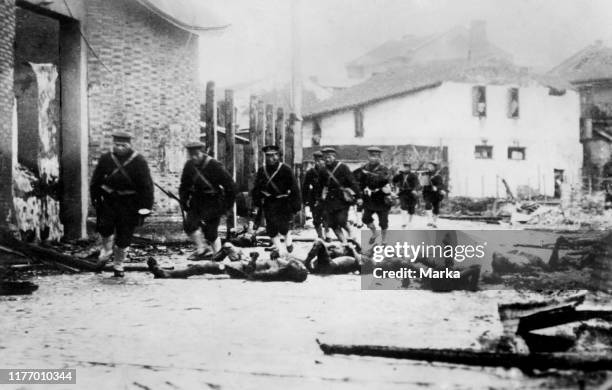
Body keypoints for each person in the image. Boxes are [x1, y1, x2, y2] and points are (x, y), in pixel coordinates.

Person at [90, 131, 154, 277]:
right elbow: (96, 180)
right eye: (117, 145)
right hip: (109, 201)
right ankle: (106, 250)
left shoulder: (139, 161)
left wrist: (145, 207)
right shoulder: (106, 159)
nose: (119, 148)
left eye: (123, 145)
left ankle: (118, 265)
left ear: (130, 145)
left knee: (125, 235)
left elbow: (147, 187)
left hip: (129, 203)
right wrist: (95, 198)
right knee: (105, 228)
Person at [179, 141, 237, 260]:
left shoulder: (214, 165)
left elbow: (230, 186)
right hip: (197, 200)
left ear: (202, 152)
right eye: (191, 155)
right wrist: (184, 201)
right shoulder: (189, 166)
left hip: (213, 202)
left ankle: (218, 257)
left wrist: (227, 206)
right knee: (189, 225)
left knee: (211, 233)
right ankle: (202, 249)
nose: (194, 157)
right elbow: (184, 185)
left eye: (196, 154)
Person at [147, 243, 307, 282]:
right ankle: (212, 261)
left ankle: (168, 274)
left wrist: (252, 260)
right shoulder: (283, 264)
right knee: (228, 246)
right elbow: (280, 255)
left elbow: (251, 276)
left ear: (289, 270)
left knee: (200, 267)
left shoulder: (275, 272)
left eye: (293, 264)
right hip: (244, 260)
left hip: (239, 269)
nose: (291, 262)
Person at [251, 145, 301, 255]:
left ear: (278, 156)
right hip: (269, 203)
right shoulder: (262, 170)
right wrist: (256, 201)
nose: (271, 158)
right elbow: (257, 188)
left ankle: (288, 241)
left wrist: (296, 205)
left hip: (283, 202)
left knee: (284, 227)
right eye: (268, 155)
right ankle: (279, 250)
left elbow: (294, 188)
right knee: (271, 229)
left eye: (274, 155)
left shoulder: (285, 169)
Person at [320, 147, 361, 244]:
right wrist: (319, 199)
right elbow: (320, 186)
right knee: (332, 224)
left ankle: (352, 234)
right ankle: (344, 243)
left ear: (334, 157)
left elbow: (352, 182)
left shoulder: (342, 167)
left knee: (341, 220)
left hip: (342, 198)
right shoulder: (323, 170)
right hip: (329, 199)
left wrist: (359, 196)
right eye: (325, 157)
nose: (327, 159)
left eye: (329, 157)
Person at [358, 146, 392, 244]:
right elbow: (360, 181)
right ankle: (374, 233)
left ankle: (384, 240)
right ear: (368, 157)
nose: (374, 158)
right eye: (372, 156)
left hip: (382, 198)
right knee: (365, 219)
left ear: (379, 158)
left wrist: (368, 174)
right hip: (369, 198)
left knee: (383, 222)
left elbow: (383, 179)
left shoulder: (383, 168)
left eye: (376, 156)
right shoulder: (363, 168)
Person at [302, 151, 331, 240]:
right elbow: (305, 186)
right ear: (314, 161)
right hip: (314, 198)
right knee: (316, 219)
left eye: (321, 160)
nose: (319, 162)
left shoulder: (328, 171)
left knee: (326, 217)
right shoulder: (310, 172)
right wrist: (304, 199)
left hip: (326, 198)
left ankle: (328, 234)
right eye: (316, 160)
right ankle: (320, 236)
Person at [393, 162, 420, 228]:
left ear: (410, 168)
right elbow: (394, 180)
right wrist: (397, 173)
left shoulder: (413, 175)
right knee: (403, 206)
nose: (405, 168)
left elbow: (417, 184)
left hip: (411, 193)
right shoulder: (400, 175)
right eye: (404, 167)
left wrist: (414, 190)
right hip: (403, 192)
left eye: (407, 167)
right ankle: (404, 222)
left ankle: (410, 222)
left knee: (411, 208)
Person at [422, 162, 446, 228]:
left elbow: (441, 185)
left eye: (431, 166)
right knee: (428, 204)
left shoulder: (438, 176)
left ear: (435, 167)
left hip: (436, 194)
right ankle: (430, 221)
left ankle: (434, 222)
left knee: (436, 208)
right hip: (428, 193)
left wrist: (437, 187)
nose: (429, 167)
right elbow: (423, 183)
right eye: (429, 166)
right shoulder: (426, 174)